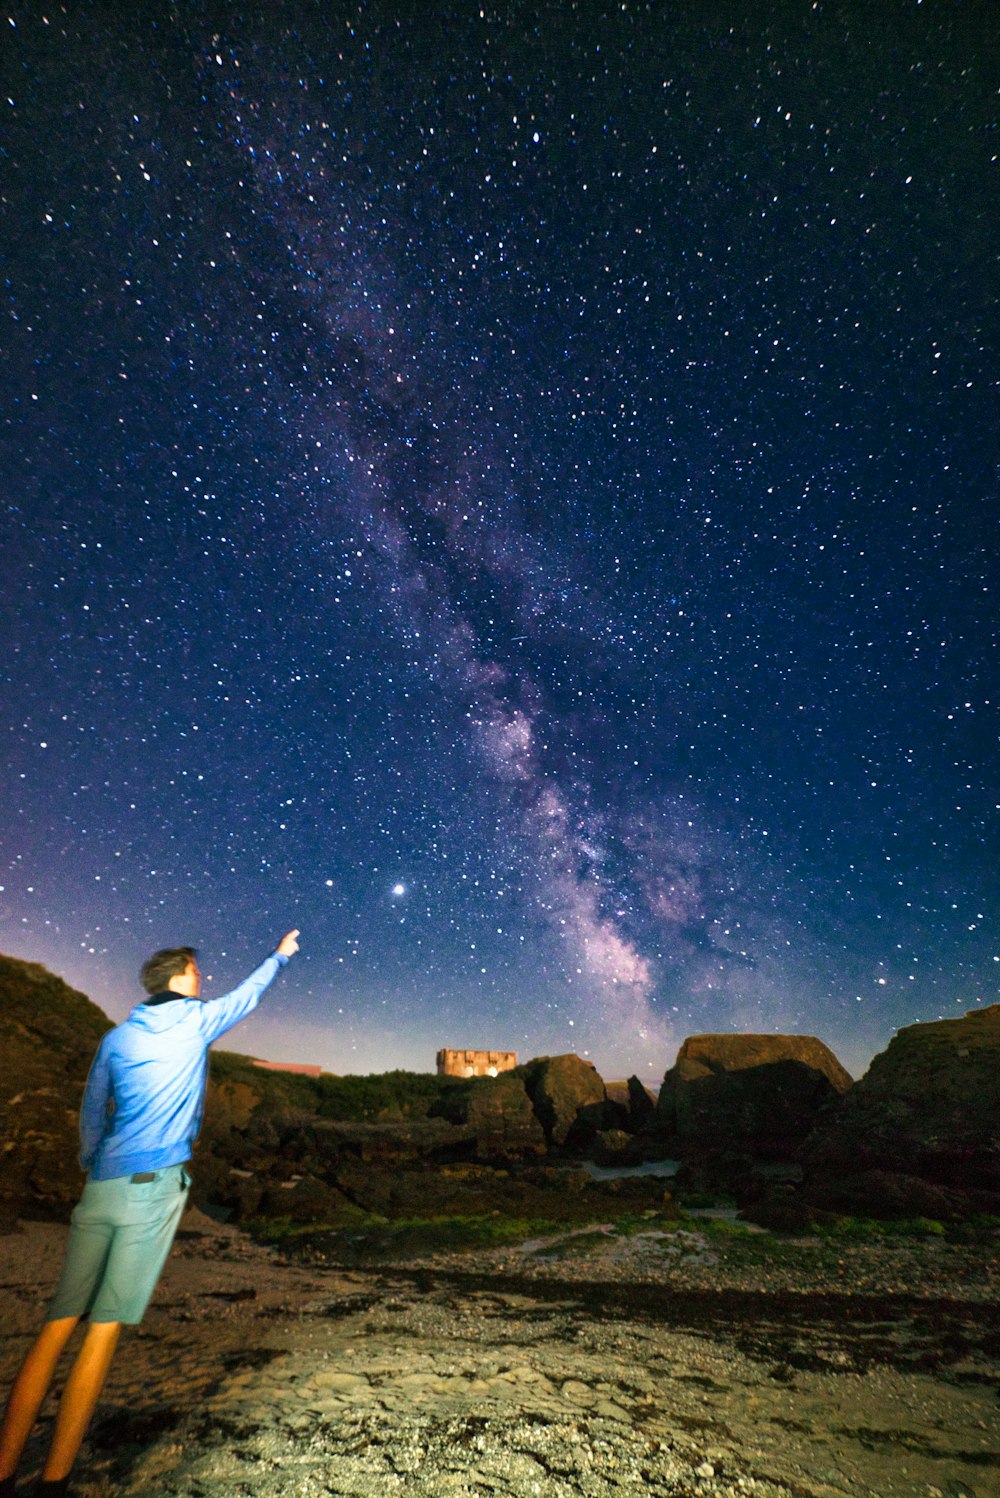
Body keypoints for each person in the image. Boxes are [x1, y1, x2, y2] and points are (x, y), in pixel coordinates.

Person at [0, 929, 301, 1496]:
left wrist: (95, 1164)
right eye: (194, 971)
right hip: (152, 1189)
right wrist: (279, 956)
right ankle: (56, 1481)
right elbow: (249, 995)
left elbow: (92, 1113)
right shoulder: (196, 1020)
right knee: (101, 1331)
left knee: (56, 1323)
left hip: (101, 1187)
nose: (202, 979)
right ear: (175, 979)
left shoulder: (115, 1039)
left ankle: (4, 1468)